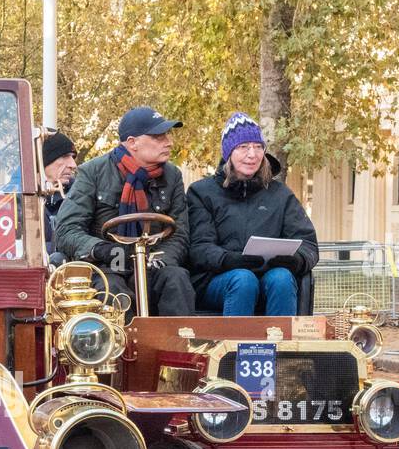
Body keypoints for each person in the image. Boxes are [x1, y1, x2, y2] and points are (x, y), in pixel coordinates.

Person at [53, 106, 195, 315]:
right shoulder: (93, 172)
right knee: (113, 293)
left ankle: (180, 346)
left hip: (154, 264)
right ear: (132, 143)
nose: (169, 142)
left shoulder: (172, 175)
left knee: (177, 279)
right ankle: (118, 346)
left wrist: (159, 259)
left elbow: (180, 232)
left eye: (167, 135)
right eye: (158, 136)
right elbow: (66, 230)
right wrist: (101, 249)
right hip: (107, 267)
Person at [185, 113, 317, 316]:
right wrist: (227, 259)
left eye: (258, 147)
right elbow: (199, 247)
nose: (252, 154)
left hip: (269, 277)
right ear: (229, 152)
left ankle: (281, 346)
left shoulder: (280, 194)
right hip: (218, 279)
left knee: (282, 277)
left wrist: (296, 260)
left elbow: (308, 244)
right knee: (243, 280)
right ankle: (237, 346)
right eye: (243, 147)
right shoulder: (201, 192)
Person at [42, 131, 77, 255]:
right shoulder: (14, 200)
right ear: (42, 160)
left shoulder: (82, 196)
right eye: (65, 156)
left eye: (72, 157)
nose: (73, 164)